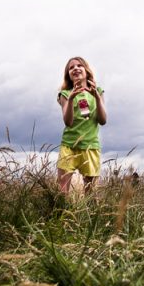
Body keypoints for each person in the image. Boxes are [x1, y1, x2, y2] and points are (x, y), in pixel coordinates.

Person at [56, 57, 107, 195]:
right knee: (62, 193)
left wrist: (96, 96)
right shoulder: (65, 94)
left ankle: (89, 217)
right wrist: (72, 98)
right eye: (71, 67)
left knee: (90, 194)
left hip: (90, 146)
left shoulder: (98, 92)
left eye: (80, 65)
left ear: (86, 70)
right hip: (69, 146)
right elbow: (68, 121)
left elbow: (103, 120)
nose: (76, 68)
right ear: (68, 74)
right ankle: (61, 215)